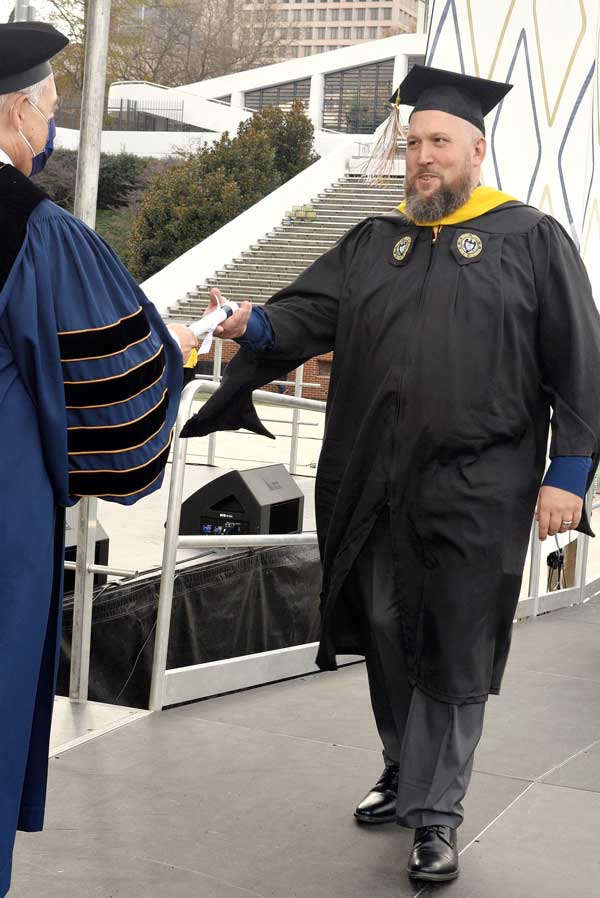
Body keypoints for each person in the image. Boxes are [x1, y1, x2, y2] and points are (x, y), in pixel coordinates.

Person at [182, 64, 600, 884]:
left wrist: (571, 472)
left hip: (480, 485)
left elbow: (578, 363)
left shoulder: (531, 238)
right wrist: (251, 320)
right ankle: (404, 767)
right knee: (380, 623)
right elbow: (308, 315)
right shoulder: (378, 243)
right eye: (413, 145)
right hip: (374, 476)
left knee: (451, 639)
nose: (423, 158)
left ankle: (437, 813)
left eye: (439, 143)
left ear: (476, 149)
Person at [0, 21, 197, 897]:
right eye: (47, 111)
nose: (50, 132)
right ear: (15, 113)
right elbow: (114, 391)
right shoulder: (33, 231)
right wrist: (182, 351)